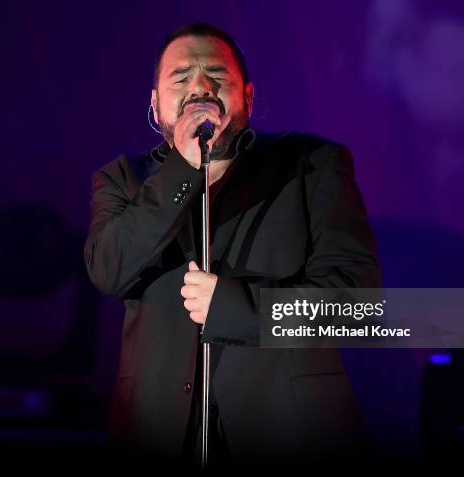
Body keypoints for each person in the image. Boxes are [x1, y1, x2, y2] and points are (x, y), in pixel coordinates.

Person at [84, 22, 380, 468]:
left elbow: (354, 306)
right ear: (155, 103)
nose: (200, 87)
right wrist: (184, 170)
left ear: (249, 96)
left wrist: (236, 308)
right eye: (181, 78)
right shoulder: (124, 180)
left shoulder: (311, 166)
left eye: (216, 76)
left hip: (292, 432)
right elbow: (109, 269)